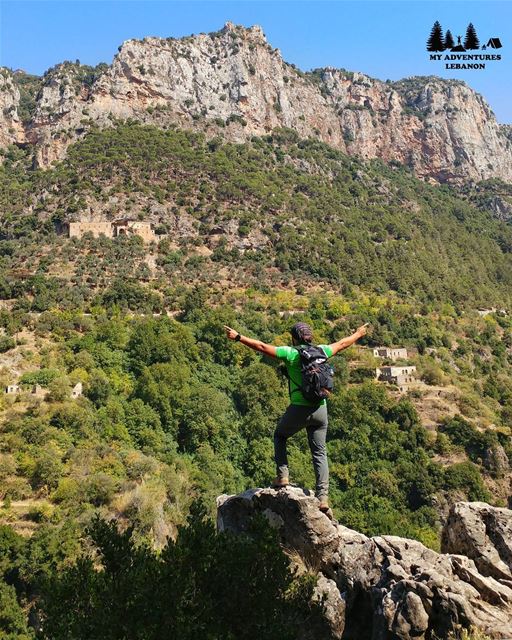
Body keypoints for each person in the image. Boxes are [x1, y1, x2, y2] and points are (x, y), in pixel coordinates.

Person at [224, 320, 368, 512]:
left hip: (299, 408)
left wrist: (239, 337)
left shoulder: (291, 353)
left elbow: (262, 346)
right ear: (310, 337)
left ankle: (283, 476)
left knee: (280, 435)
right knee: (319, 452)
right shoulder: (322, 351)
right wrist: (358, 333)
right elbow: (342, 343)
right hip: (320, 409)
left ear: (294, 338)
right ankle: (323, 497)